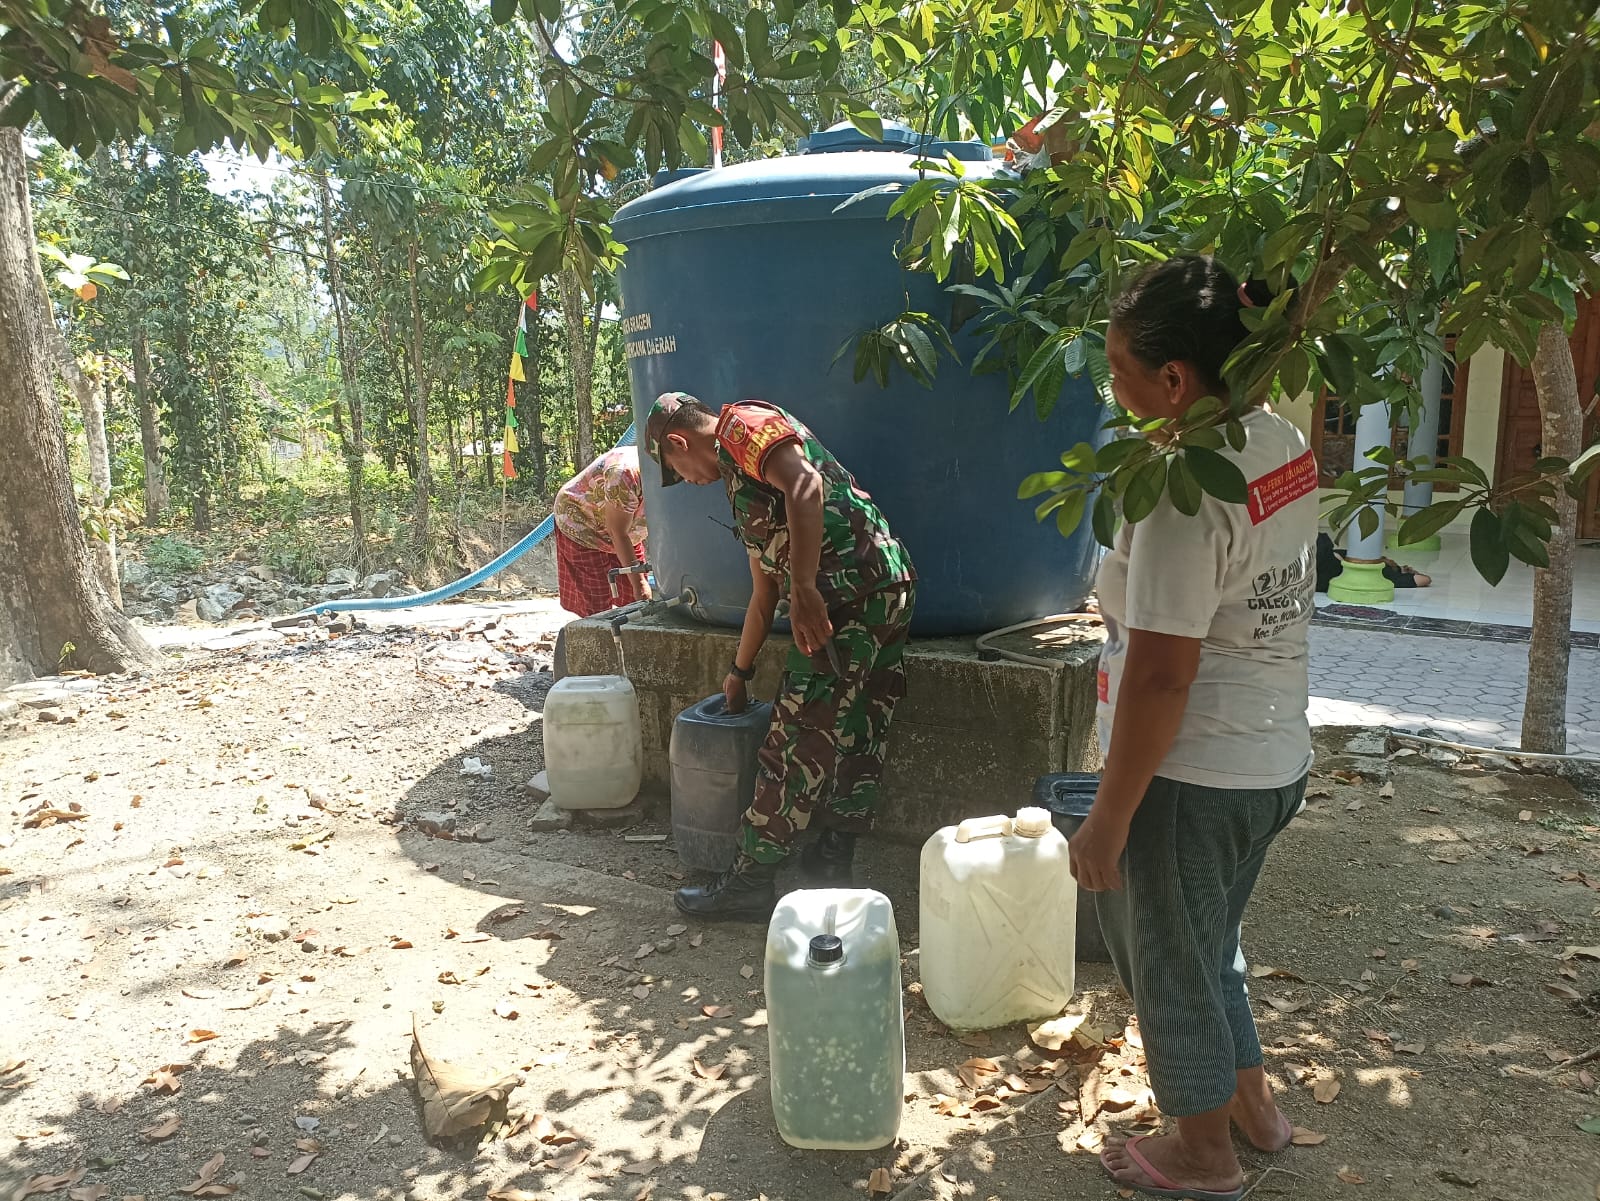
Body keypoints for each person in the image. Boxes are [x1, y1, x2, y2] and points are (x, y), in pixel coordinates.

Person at [1069, 256, 1316, 1201]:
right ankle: (1250, 1105)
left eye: (1121, 366)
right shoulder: (1280, 437)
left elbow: (1165, 676)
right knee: (1212, 943)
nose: (1113, 384)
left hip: (1195, 774)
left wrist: (1109, 817)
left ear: (1176, 380)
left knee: (1170, 957)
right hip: (1273, 759)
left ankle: (1201, 1150)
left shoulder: (1180, 490)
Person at [644, 391, 916, 920]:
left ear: (678, 441)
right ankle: (832, 859)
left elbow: (806, 484)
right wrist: (738, 672)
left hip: (847, 596)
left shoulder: (741, 427)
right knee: (859, 728)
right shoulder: (743, 486)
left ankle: (751, 881)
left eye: (678, 470)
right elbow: (764, 595)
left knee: (793, 741)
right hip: (880, 585)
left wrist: (808, 587)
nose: (688, 482)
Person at [552, 446, 650, 617]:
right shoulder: (625, 473)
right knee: (597, 604)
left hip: (627, 532)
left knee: (634, 603)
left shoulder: (684, 473)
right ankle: (600, 641)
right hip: (582, 523)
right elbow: (617, 532)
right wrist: (639, 583)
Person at [1314, 531, 1432, 591]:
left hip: (1324, 570)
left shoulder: (1387, 574)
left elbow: (1425, 580)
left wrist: (1413, 573)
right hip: (1322, 571)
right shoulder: (1386, 572)